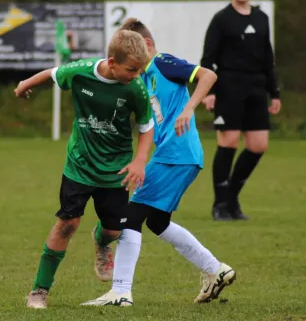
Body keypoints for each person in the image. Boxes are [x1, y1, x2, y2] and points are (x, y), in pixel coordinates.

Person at [81, 18, 235, 307]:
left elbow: (208, 76)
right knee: (158, 221)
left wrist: (189, 109)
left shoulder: (162, 62)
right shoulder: (142, 78)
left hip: (177, 155)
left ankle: (121, 292)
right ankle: (215, 270)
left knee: (131, 217)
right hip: (176, 156)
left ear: (147, 45)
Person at [15, 30, 155, 309]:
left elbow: (146, 125)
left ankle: (101, 242)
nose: (137, 75)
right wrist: (24, 84)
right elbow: (52, 73)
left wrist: (140, 160)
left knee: (114, 232)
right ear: (112, 62)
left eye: (140, 69)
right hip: (79, 166)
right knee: (67, 223)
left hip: (115, 171)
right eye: (132, 69)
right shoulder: (81, 72)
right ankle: (39, 291)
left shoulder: (136, 88)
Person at [200, 0, 281, 221]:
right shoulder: (221, 19)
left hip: (256, 89)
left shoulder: (261, 18)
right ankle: (219, 205)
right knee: (229, 142)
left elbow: (268, 58)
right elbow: (208, 59)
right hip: (228, 88)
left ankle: (232, 199)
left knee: (258, 145)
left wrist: (274, 91)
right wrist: (208, 91)